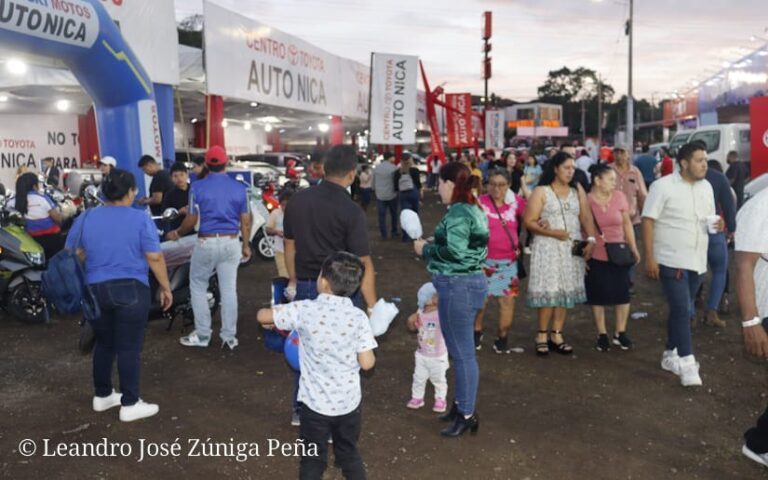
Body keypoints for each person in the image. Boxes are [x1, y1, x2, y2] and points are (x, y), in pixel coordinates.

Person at [257, 252, 377, 479]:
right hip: (348, 405)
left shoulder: (304, 310)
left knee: (312, 459)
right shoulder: (358, 317)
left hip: (314, 405)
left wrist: (268, 313)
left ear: (323, 281)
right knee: (349, 454)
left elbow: (262, 317)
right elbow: (367, 363)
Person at [66, 168, 172, 422]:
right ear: (131, 192)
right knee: (129, 347)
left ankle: (103, 396)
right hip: (131, 288)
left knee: (105, 343)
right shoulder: (139, 218)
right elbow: (154, 256)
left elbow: (73, 252)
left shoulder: (87, 217)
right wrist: (165, 287)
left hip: (94, 289)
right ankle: (130, 403)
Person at [283, 144, 378, 426]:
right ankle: (340, 409)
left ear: (323, 169)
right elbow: (364, 263)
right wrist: (372, 305)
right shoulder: (351, 211)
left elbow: (290, 246)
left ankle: (302, 409)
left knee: (306, 350)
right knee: (342, 351)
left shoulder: (298, 201)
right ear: (351, 174)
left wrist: (293, 279)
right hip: (343, 291)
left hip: (306, 286)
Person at [413, 162, 488, 437]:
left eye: (439, 183)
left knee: (463, 355)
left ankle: (467, 413)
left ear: (449, 184)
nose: (437, 189)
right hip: (464, 285)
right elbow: (466, 248)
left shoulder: (459, 211)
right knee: (460, 354)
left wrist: (427, 249)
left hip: (458, 287)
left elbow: (456, 255)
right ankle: (461, 406)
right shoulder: (471, 207)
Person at [642, 142, 720, 387]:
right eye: (699, 160)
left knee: (682, 308)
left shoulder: (706, 186)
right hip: (671, 258)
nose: (704, 164)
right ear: (684, 163)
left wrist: (716, 224)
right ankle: (687, 363)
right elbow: (647, 221)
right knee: (683, 310)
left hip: (697, 259)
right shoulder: (662, 186)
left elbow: (709, 218)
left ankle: (669, 354)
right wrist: (650, 257)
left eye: (705, 159)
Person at [171, 146, 251, 351]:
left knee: (198, 285)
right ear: (227, 163)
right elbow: (246, 220)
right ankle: (229, 337)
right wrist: (246, 245)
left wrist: (178, 233)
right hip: (231, 242)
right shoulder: (240, 188)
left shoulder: (197, 187)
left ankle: (204, 335)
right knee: (228, 289)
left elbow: (191, 218)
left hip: (206, 242)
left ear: (207, 164)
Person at [524, 151, 596, 356]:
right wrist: (552, 232)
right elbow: (528, 221)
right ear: (555, 169)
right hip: (547, 247)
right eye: (566, 167)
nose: (570, 172)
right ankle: (541, 334)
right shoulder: (541, 191)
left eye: (573, 168)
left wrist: (591, 239)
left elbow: (586, 217)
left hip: (571, 248)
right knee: (549, 289)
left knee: (565, 290)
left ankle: (557, 334)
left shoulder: (577, 190)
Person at [585, 164, 641, 352]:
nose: (614, 184)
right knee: (597, 295)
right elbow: (578, 231)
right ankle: (601, 333)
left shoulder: (619, 197)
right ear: (597, 181)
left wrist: (633, 247)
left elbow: (627, 224)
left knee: (622, 294)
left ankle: (620, 332)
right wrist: (580, 257)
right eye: (610, 179)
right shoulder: (586, 201)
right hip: (595, 254)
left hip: (619, 253)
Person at [733, 186, 768, 467]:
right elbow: (744, 265)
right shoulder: (761, 205)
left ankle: (760, 442)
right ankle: (759, 444)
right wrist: (751, 322)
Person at [474, 169, 526, 353]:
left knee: (507, 303)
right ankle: (476, 332)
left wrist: (541, 221)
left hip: (508, 264)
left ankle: (502, 338)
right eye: (493, 184)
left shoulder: (516, 203)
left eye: (502, 185)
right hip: (482, 263)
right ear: (487, 185)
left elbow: (532, 216)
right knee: (480, 301)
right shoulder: (479, 203)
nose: (497, 189)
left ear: (509, 186)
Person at [697, 160, 737, 329]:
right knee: (720, 271)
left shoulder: (680, 178)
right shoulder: (719, 178)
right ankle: (712, 311)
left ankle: (690, 313)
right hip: (714, 231)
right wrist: (731, 229)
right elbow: (729, 207)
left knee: (694, 271)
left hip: (692, 233)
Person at [406, 282, 449, 413]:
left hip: (438, 356)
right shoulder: (419, 312)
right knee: (418, 377)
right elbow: (412, 329)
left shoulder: (441, 313)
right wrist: (410, 321)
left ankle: (441, 399)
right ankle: (417, 397)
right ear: (429, 299)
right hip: (421, 354)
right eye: (436, 295)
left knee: (439, 379)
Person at [9, 172, 65, 260]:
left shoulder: (11, 202)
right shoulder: (42, 198)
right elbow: (57, 219)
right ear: (35, 186)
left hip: (26, 243)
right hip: (50, 241)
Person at [265, 188, 293, 278]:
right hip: (280, 251)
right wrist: (277, 232)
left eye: (287, 205)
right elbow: (268, 229)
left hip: (295, 251)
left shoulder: (298, 213)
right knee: (284, 276)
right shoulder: (275, 214)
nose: (285, 207)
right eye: (282, 205)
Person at [394, 154, 422, 239]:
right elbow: (418, 183)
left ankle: (406, 236)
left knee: (405, 215)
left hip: (403, 194)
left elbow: (395, 186)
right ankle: (416, 235)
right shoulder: (415, 170)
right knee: (415, 214)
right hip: (414, 193)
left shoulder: (397, 172)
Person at [372, 151, 399, 240]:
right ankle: (394, 232)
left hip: (380, 195)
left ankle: (384, 234)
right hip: (392, 194)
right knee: (394, 214)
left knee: (381, 216)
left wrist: (374, 189)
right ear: (390, 158)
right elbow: (396, 182)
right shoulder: (394, 168)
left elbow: (373, 182)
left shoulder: (377, 168)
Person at [160, 162, 191, 238]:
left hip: (197, 231)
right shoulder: (169, 195)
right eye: (175, 176)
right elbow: (163, 217)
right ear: (171, 178)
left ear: (187, 174)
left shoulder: (195, 190)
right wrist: (179, 211)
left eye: (182, 175)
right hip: (178, 233)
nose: (179, 178)